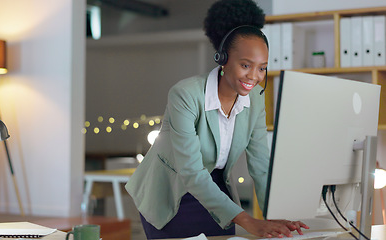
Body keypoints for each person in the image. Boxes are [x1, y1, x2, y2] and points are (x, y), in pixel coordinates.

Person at [125, 0, 309, 239]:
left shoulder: (254, 101)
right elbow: (191, 172)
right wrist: (248, 221)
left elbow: (261, 166)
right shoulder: (185, 95)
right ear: (223, 59)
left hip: (216, 190)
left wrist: (274, 216)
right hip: (171, 192)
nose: (254, 76)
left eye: (262, 68)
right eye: (246, 65)